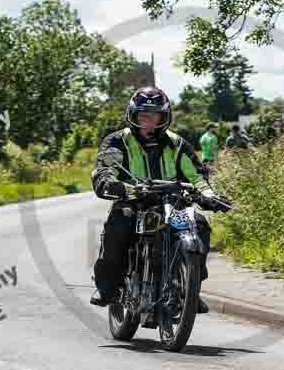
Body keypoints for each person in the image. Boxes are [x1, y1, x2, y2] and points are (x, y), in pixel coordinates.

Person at [90, 87, 228, 313]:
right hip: (133, 202)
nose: (148, 123)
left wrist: (210, 196)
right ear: (133, 116)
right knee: (119, 223)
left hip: (171, 204)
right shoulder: (118, 141)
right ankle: (109, 287)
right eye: (143, 116)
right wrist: (110, 183)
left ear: (164, 118)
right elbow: (104, 170)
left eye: (154, 117)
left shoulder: (177, 144)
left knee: (200, 224)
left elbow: (197, 175)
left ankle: (190, 289)